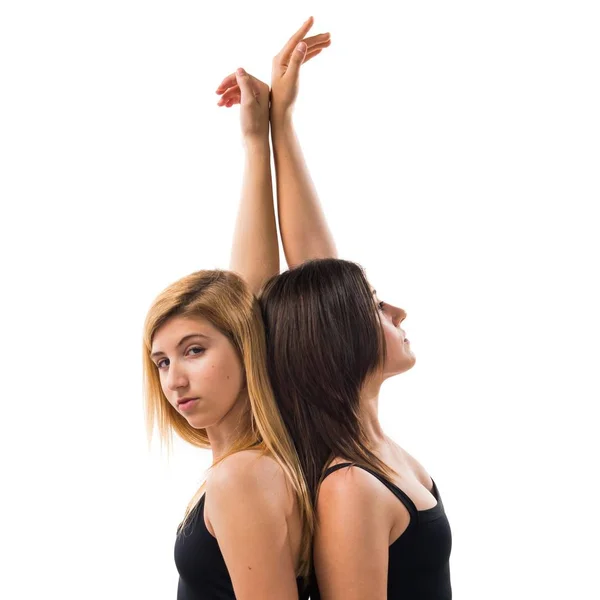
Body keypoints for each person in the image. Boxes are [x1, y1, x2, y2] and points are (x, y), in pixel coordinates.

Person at [217, 16, 453, 600]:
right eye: (374, 305)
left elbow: (320, 285)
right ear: (339, 337)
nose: (397, 310)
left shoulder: (378, 452)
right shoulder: (347, 484)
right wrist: (254, 142)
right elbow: (267, 301)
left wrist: (280, 125)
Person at [142, 19, 331, 599]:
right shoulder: (254, 461)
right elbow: (245, 297)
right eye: (162, 362)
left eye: (193, 351)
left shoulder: (245, 475)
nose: (175, 379)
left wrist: (275, 132)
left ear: (246, 345)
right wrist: (261, 136)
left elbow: (291, 293)